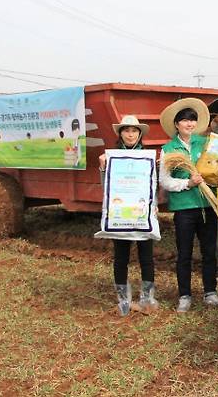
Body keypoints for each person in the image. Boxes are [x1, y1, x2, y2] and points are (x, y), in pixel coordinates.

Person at [159, 98, 218, 313]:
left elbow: (217, 169)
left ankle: (210, 292)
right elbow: (165, 181)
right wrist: (188, 183)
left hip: (207, 205)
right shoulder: (168, 150)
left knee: (209, 252)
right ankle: (184, 295)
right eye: (185, 120)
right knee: (184, 253)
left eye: (192, 120)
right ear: (176, 124)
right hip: (184, 208)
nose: (189, 124)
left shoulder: (205, 144)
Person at [99, 115, 159, 317]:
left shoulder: (148, 157)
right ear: (120, 134)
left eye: (134, 130)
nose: (130, 134)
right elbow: (105, 186)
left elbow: (153, 185)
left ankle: (147, 298)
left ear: (140, 134)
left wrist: (155, 205)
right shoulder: (111, 157)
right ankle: (123, 299)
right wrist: (102, 167)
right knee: (121, 257)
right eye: (126, 130)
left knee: (146, 257)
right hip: (121, 215)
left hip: (143, 215)